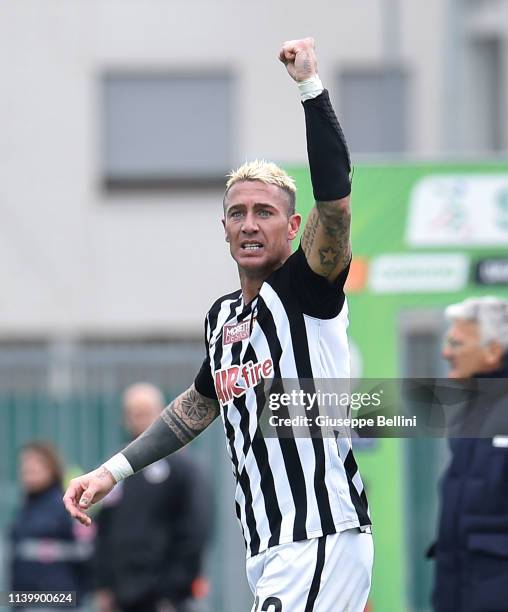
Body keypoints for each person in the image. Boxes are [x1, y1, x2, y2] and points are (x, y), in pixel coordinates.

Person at [64, 37, 373, 611]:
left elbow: (336, 206)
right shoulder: (223, 316)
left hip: (319, 537)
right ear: (224, 226)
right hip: (268, 546)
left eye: (265, 212)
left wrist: (310, 88)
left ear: (292, 225)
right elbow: (200, 403)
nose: (250, 224)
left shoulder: (308, 288)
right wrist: (113, 471)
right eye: (238, 213)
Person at [93, 383, 210, 612]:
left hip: (166, 598)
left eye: (145, 413)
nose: (139, 420)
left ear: (161, 414)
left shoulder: (182, 468)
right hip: (122, 596)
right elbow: (103, 529)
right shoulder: (114, 470)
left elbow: (195, 530)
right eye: (133, 414)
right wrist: (103, 585)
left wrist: (174, 589)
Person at [429, 296, 508, 612]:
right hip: (461, 594)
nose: (446, 353)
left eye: (457, 344)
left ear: (492, 352)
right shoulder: (474, 410)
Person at [9, 441, 90, 608]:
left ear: (51, 468)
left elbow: (85, 553)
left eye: (34, 464)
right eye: (24, 464)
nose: (27, 469)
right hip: (25, 598)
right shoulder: (27, 506)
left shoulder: (65, 505)